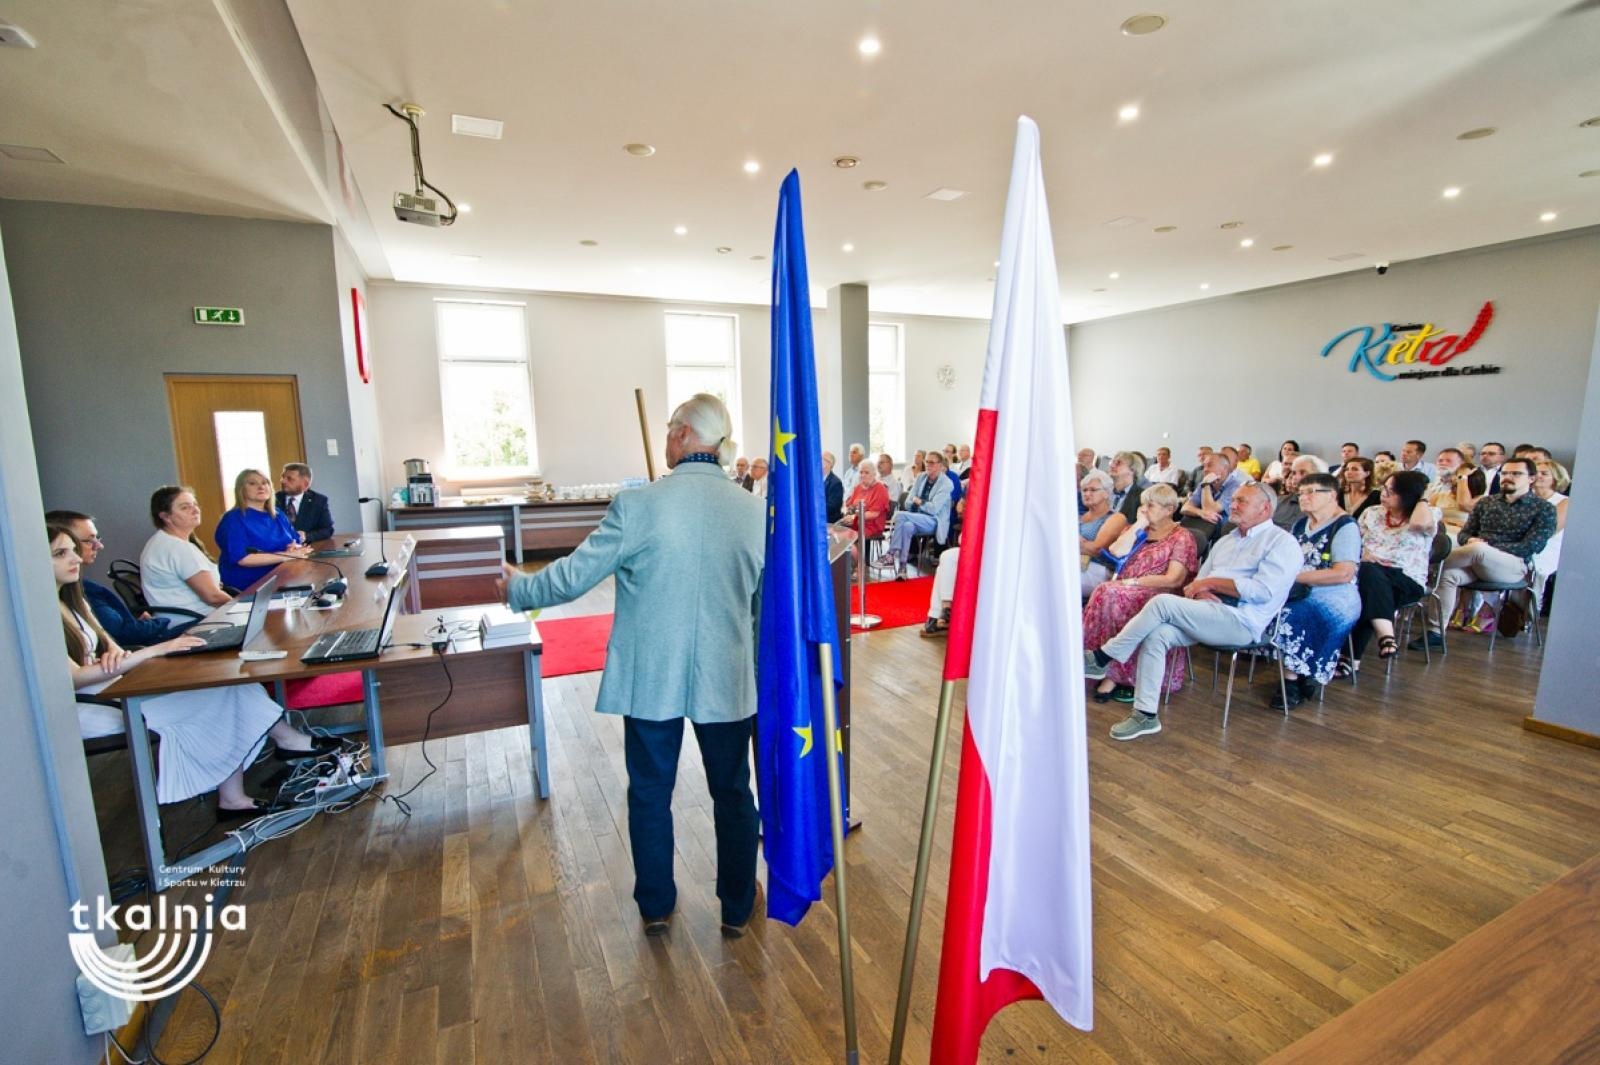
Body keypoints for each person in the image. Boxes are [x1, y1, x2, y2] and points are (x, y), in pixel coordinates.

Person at [501, 394, 763, 938]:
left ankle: (657, 906)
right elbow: (763, 606)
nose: (667, 438)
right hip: (728, 675)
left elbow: (573, 577)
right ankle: (738, 906)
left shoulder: (639, 506)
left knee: (649, 792)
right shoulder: (753, 512)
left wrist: (518, 588)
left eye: (672, 429)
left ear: (685, 435)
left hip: (652, 678)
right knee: (733, 792)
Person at [52, 524, 333, 816]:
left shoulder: (73, 599)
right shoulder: (42, 613)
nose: (74, 559)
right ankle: (270, 758)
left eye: (73, 551)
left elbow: (109, 644)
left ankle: (237, 792)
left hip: (114, 681)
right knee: (218, 694)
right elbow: (71, 678)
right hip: (96, 703)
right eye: (61, 553)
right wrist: (156, 649)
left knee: (233, 683)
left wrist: (114, 652)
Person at [1096, 484, 1302, 740]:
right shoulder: (1227, 540)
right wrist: (1202, 589)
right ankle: (1145, 714)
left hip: (1241, 622)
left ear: (1265, 508)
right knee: (1157, 634)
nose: (1233, 505)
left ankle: (1105, 656)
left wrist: (1210, 584)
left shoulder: (1282, 543)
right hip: (1206, 613)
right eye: (1234, 499)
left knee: (1162, 603)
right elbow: (1195, 584)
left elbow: (1262, 591)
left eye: (1241, 501)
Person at [1081, 484, 1198, 703]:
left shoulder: (1182, 537)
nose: (1144, 509)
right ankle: (1100, 665)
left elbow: (1174, 579)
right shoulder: (1139, 530)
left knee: (1112, 594)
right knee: (1106, 592)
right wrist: (1138, 525)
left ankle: (1113, 675)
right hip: (1126, 587)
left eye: (1150, 505)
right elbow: (1116, 552)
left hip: (1159, 593)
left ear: (1169, 508)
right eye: (1143, 504)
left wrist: (1134, 582)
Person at [1422, 457, 1556, 647]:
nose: (1508, 477)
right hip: (1476, 562)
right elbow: (1465, 534)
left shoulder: (1544, 509)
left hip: (1513, 565)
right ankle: (1435, 633)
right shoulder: (1487, 503)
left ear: (1531, 478)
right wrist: (1469, 539)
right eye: (1505, 473)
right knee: (1449, 574)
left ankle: (1421, 566)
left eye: (1516, 473)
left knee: (1478, 549)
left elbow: (1532, 546)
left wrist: (1487, 545)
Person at [1269, 474, 1360, 707]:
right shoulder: (1301, 524)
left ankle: (1290, 681)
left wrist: (1293, 577)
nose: (1303, 497)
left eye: (1311, 492)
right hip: (1299, 587)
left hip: (1336, 592)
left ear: (1332, 495)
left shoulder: (1345, 526)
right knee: (1268, 604)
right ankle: (1300, 672)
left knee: (1290, 615)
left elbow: (1344, 573)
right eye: (1301, 493)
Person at [46, 509, 175, 646]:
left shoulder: (79, 592)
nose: (99, 546)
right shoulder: (84, 591)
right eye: (89, 541)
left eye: (97, 538)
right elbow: (123, 634)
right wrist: (159, 621)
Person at [1348, 471, 1436, 670]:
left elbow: (1419, 524)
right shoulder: (1372, 512)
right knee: (1369, 579)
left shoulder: (1427, 514)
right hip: (1367, 575)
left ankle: (1349, 658)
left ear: (1409, 494)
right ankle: (1385, 636)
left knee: (1367, 585)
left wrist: (1422, 496)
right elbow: (1352, 541)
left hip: (1406, 579)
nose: (1383, 494)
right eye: (1384, 488)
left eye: (1391, 491)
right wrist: (1363, 553)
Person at [141, 486, 235, 617]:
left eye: (195, 504)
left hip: (185, 619)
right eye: (185, 507)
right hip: (195, 622)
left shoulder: (161, 540)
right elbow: (212, 597)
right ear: (166, 517)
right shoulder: (177, 547)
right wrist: (242, 608)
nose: (195, 510)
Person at [214, 468, 312, 591]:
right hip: (250, 588)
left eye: (264, 483)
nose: (261, 487)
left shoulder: (278, 514)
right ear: (241, 489)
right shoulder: (233, 519)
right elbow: (243, 559)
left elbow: (295, 541)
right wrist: (287, 555)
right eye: (252, 483)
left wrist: (294, 547)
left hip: (284, 579)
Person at [883, 450, 953, 578]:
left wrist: (919, 501)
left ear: (940, 465)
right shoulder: (921, 477)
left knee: (899, 515)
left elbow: (934, 509)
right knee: (907, 526)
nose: (927, 465)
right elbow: (909, 502)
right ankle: (902, 568)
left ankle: (890, 554)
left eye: (931, 462)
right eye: (926, 461)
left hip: (934, 521)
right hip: (915, 517)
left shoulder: (946, 483)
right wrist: (920, 502)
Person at [1180, 448, 1248, 545]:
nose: (1205, 470)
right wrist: (1200, 512)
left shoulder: (1235, 485)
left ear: (1225, 468)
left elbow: (1210, 509)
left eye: (1210, 465)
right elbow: (1185, 508)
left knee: (1212, 521)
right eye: (1204, 466)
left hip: (1225, 530)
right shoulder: (1205, 482)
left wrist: (1206, 485)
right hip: (1204, 526)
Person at [1529, 459, 1570, 603]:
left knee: (1532, 567)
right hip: (1520, 541)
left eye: (1544, 473)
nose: (1538, 476)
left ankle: (1529, 610)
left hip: (1547, 546)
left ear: (1555, 478)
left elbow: (1550, 531)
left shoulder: (1564, 501)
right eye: (1536, 472)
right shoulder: (1524, 498)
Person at [839, 460, 890, 563]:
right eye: (861, 472)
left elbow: (874, 514)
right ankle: (846, 566)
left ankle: (859, 567)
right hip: (856, 523)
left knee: (848, 538)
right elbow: (849, 506)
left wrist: (854, 517)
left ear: (874, 474)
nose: (863, 475)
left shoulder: (880, 488)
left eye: (866, 472)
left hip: (872, 525)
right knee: (836, 534)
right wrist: (848, 514)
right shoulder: (858, 487)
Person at [1426, 447, 1486, 535]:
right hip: (1439, 530)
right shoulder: (1435, 492)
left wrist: (1463, 477)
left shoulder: (1482, 499)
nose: (1443, 463)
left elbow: (1464, 505)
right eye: (1440, 460)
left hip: (1462, 534)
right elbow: (1428, 515)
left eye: (1448, 461)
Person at [276, 462, 334, 543]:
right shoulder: (273, 500)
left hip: (308, 549)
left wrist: (306, 536)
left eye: (289, 479)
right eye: (282, 477)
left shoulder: (318, 500)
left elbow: (327, 530)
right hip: (278, 549)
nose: (283, 481)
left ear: (305, 484)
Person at [821, 451, 844, 522]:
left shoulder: (836, 483)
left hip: (829, 521)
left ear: (830, 464)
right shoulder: (814, 479)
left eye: (822, 459)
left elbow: (832, 507)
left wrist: (813, 508)